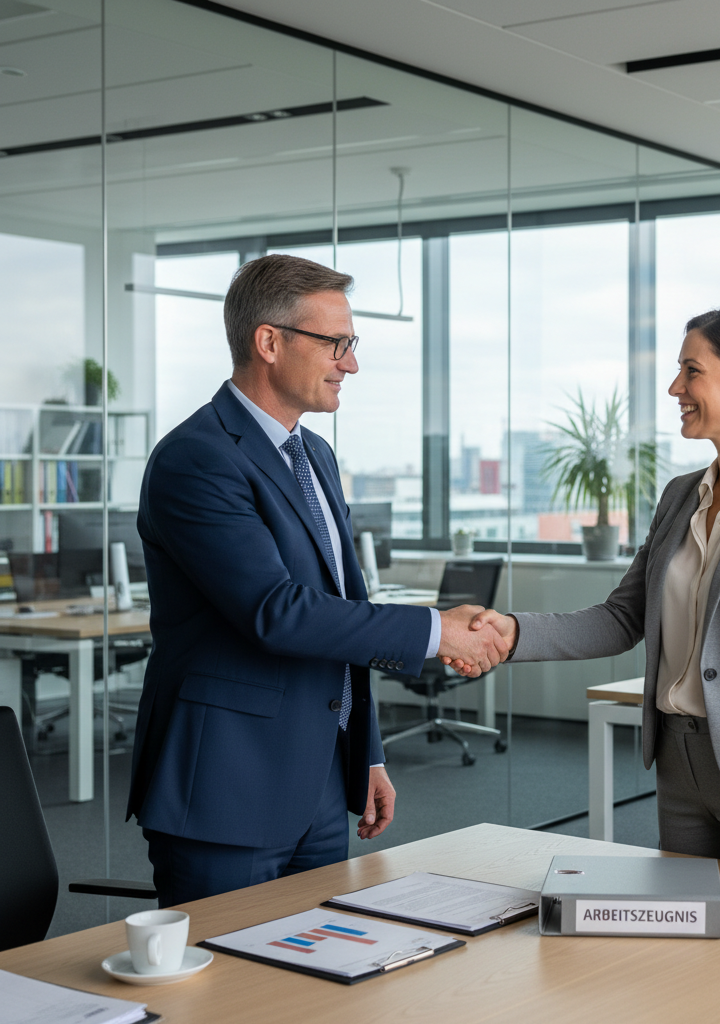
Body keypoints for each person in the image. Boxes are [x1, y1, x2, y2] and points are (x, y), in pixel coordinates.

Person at [127, 254, 509, 907]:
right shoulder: (197, 459)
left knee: (309, 988)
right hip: (228, 788)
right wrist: (433, 628)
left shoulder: (315, 455)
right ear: (269, 342)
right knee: (226, 1001)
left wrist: (367, 754)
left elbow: (342, 611)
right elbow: (276, 612)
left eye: (350, 345)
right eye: (337, 344)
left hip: (322, 784)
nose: (350, 364)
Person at [458, 306, 720, 899]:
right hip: (679, 767)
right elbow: (622, 617)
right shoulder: (680, 495)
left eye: (691, 371)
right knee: (685, 961)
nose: (675, 388)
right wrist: (512, 633)